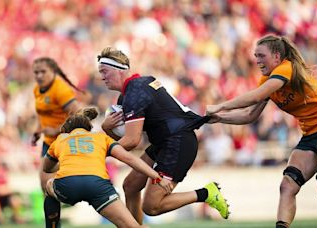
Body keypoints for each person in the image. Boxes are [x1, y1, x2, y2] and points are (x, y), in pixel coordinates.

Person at [206, 34, 317, 228]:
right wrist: (219, 118)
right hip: (310, 136)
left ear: (276, 56)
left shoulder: (286, 68)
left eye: (261, 55)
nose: (257, 61)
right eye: (255, 56)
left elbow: (255, 96)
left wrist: (220, 106)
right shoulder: (268, 81)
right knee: (287, 186)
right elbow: (250, 115)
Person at [98, 47, 230, 224]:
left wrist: (98, 152)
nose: (102, 77)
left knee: (151, 207)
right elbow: (128, 140)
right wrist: (107, 130)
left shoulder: (135, 92)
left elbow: (132, 141)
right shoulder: (133, 90)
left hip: (177, 142)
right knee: (130, 186)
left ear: (119, 69)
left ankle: (206, 193)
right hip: (165, 142)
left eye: (104, 71)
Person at [43, 107, 171, 228]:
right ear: (88, 128)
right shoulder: (101, 138)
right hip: (98, 186)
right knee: (132, 226)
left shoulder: (60, 139)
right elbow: (129, 159)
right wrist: (157, 177)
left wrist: (68, 160)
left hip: (67, 185)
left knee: (49, 185)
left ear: (67, 129)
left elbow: (47, 168)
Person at [31, 57, 82, 227]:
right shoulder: (38, 90)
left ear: (53, 71)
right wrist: (38, 131)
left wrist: (57, 130)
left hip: (63, 143)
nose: (39, 75)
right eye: (36, 72)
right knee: (45, 186)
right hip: (48, 143)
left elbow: (79, 115)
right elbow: (43, 114)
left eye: (43, 71)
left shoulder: (60, 89)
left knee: (49, 186)